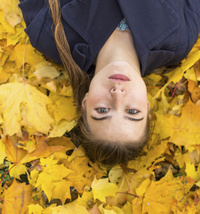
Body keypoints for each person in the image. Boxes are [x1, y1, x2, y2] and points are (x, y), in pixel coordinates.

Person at [19, 0, 200, 165]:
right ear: (147, 107)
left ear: (84, 103)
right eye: (132, 111)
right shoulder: (178, 42)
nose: (117, 95)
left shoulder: (49, 35)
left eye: (102, 110)